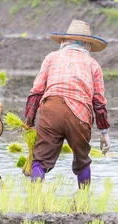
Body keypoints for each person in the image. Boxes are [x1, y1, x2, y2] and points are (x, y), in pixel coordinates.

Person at [24, 20, 111, 188]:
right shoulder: (93, 64)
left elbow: (36, 91)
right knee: (83, 160)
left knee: (40, 160)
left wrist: (28, 121)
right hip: (79, 115)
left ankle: (34, 199)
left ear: (65, 41)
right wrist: (104, 132)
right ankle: (84, 200)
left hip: (51, 111)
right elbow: (99, 102)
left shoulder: (51, 58)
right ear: (87, 44)